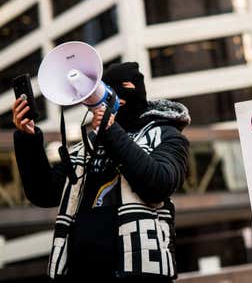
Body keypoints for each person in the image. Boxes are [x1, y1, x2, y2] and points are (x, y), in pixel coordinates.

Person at [11, 62, 190, 282]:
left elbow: (158, 185)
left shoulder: (167, 136)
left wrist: (110, 130)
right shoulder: (87, 145)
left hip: (137, 271)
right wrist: (28, 139)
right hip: (80, 271)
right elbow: (43, 192)